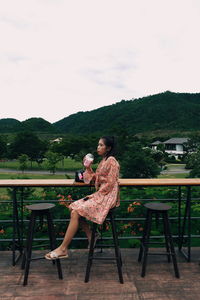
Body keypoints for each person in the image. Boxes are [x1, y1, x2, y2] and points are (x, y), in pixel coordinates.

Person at [45, 136, 120, 260]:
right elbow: (96, 178)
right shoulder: (103, 160)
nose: (98, 147)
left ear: (108, 148)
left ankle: (63, 248)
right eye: (98, 145)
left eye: (101, 145)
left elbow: (111, 182)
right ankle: (91, 235)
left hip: (107, 196)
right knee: (73, 207)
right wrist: (88, 168)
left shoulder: (111, 160)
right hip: (101, 194)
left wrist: (97, 180)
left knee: (76, 211)